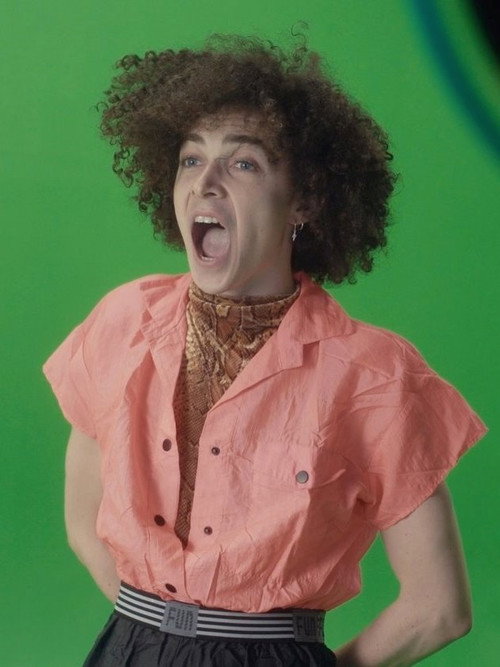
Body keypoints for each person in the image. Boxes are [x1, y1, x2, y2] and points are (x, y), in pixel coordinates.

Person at [42, 32, 488, 666]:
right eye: (191, 159)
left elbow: (440, 608)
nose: (205, 183)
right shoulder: (121, 322)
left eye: (243, 163)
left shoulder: (377, 378)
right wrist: (163, 639)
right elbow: (83, 521)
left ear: (303, 200)